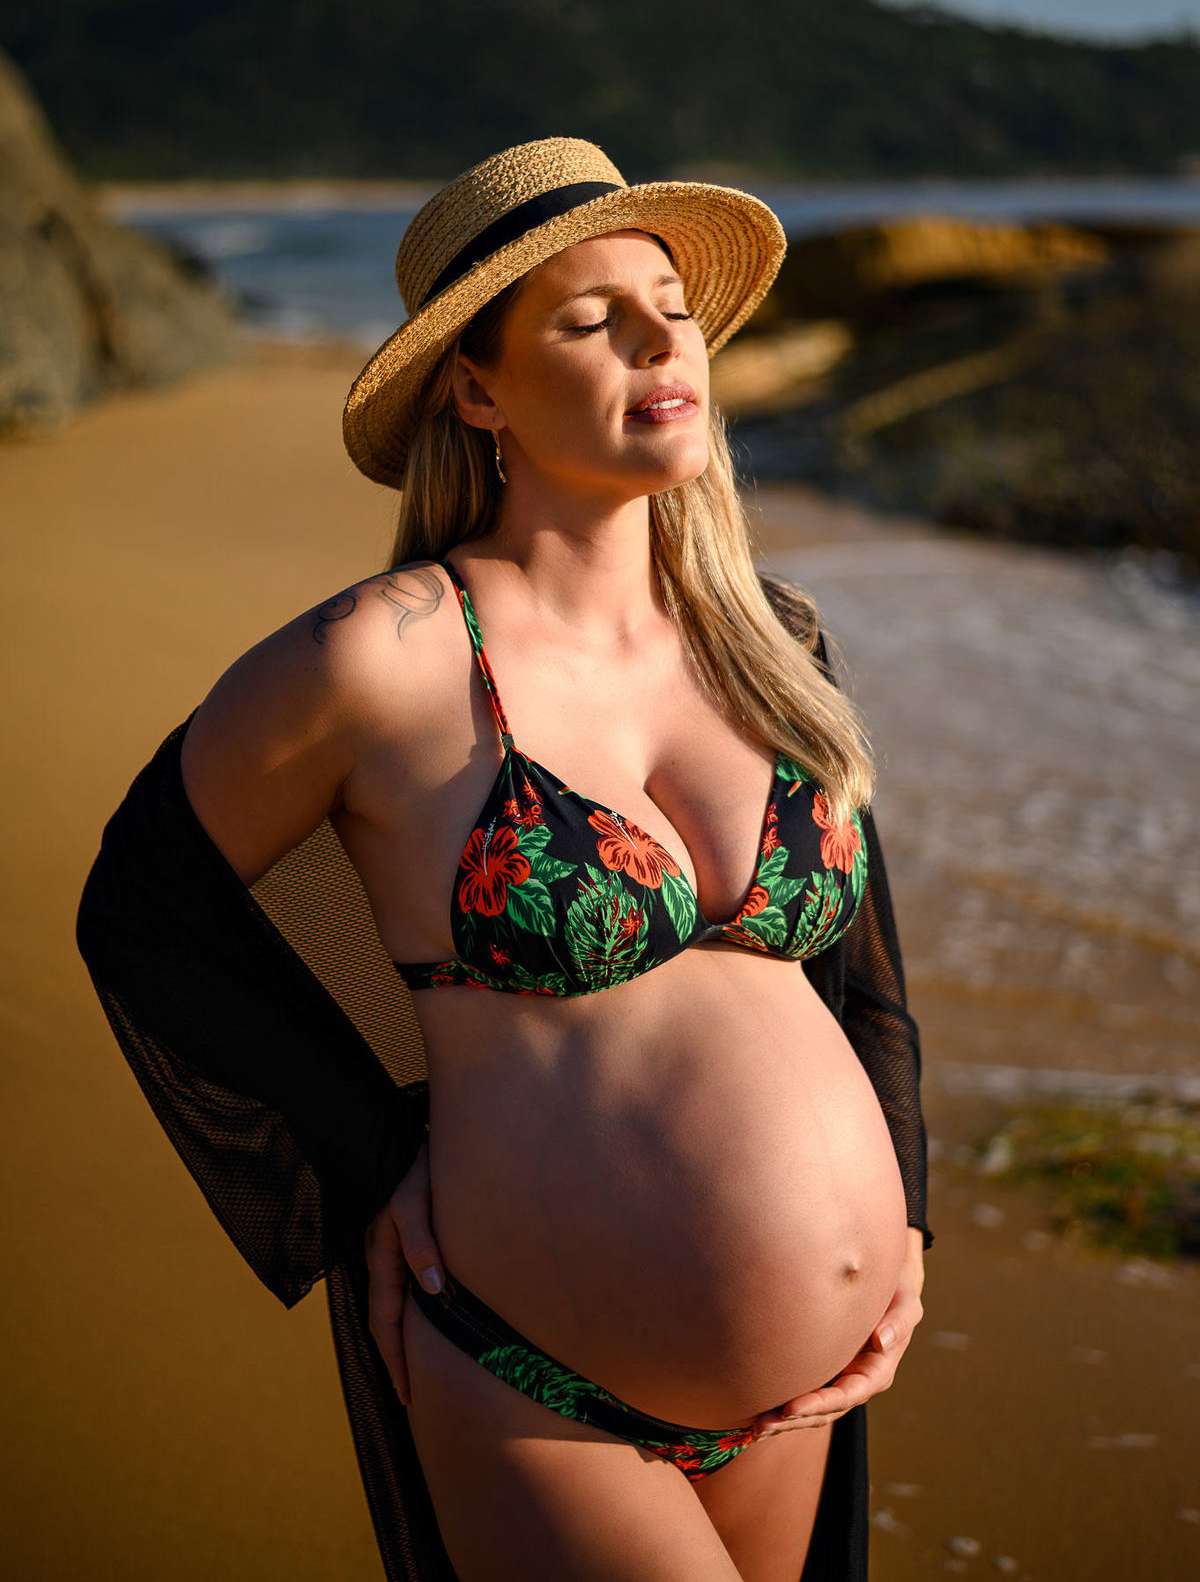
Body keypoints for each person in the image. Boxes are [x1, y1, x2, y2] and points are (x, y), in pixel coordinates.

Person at [77, 136, 930, 1582]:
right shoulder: (382, 660)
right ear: (475, 389)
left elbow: (868, 986)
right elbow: (145, 911)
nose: (666, 340)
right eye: (593, 320)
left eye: (671, 304)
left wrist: (901, 1221)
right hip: (541, 1386)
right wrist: (364, 1161)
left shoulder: (770, 639)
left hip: (813, 1386)